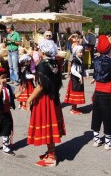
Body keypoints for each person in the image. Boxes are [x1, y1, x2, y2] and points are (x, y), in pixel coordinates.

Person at [26, 38, 66, 167]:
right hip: (53, 97)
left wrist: (29, 99)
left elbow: (41, 86)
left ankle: (52, 156)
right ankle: (50, 151)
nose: (37, 50)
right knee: (50, 125)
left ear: (43, 50)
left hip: (45, 100)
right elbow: (58, 82)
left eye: (39, 48)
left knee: (47, 125)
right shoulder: (54, 62)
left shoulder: (42, 65)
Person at [0, 67, 24, 155]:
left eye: (5, 77)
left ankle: (5, 146)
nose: (5, 79)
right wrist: (1, 87)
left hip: (6, 112)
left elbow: (13, 96)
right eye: (2, 78)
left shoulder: (8, 87)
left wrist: (21, 91)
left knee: (6, 129)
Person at [64, 45, 87, 115]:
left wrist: (87, 73)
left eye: (82, 52)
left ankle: (75, 108)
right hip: (75, 80)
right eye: (80, 52)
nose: (81, 53)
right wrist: (79, 76)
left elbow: (83, 68)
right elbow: (73, 70)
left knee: (77, 93)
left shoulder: (81, 59)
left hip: (79, 80)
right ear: (76, 52)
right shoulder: (74, 60)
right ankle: (73, 109)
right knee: (74, 94)